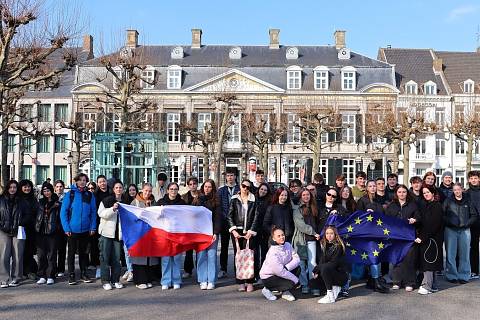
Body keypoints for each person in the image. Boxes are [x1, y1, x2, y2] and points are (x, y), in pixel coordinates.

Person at [60, 173, 97, 285]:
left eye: (84, 180)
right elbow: (63, 212)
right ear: (76, 181)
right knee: (71, 253)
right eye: (80, 180)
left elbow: (93, 212)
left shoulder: (89, 195)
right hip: (72, 230)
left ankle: (84, 273)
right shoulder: (70, 194)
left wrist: (92, 227)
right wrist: (66, 228)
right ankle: (71, 274)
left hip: (85, 230)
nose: (82, 182)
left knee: (84, 253)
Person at [385, 184, 420, 291]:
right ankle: (396, 281)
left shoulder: (413, 205)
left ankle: (410, 282)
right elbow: (387, 220)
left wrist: (415, 220)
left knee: (409, 259)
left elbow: (419, 216)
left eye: (404, 192)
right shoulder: (392, 206)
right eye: (399, 192)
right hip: (396, 237)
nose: (402, 194)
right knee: (397, 259)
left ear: (407, 193)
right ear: (396, 193)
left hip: (409, 236)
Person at [227, 179, 259, 292]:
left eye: (248, 187)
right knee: (238, 256)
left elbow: (256, 216)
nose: (245, 188)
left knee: (250, 256)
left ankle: (250, 281)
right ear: (240, 186)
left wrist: (251, 230)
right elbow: (229, 215)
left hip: (249, 231)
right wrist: (233, 230)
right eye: (244, 186)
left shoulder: (254, 199)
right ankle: (240, 281)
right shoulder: (234, 199)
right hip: (237, 231)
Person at [443, 183, 476, 284]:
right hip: (450, 230)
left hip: (465, 230)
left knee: (464, 254)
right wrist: (449, 222)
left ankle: (464, 275)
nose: (457, 191)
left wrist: (467, 223)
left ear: (462, 190)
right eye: (455, 190)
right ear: (453, 191)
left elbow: (474, 215)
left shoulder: (468, 201)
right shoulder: (448, 201)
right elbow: (442, 214)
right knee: (450, 254)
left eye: (458, 189)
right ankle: (452, 275)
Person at [157, 182, 186, 290]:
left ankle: (176, 280)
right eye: (171, 189)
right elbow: (155, 216)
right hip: (164, 233)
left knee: (176, 258)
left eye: (175, 189)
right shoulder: (161, 202)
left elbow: (185, 217)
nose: (173, 191)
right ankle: (166, 280)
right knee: (166, 258)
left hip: (177, 233)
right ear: (168, 190)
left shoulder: (182, 203)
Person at [97, 181, 126, 291]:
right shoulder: (107, 200)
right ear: (113, 189)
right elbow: (101, 214)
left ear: (123, 189)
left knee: (117, 259)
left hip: (118, 235)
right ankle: (105, 281)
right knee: (104, 258)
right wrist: (112, 209)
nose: (119, 189)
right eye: (116, 187)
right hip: (106, 234)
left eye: (120, 187)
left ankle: (115, 280)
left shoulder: (125, 201)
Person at [130, 183, 159, 289]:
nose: (148, 193)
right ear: (142, 190)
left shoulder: (153, 202)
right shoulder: (135, 202)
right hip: (139, 234)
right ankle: (139, 281)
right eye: (146, 190)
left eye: (150, 191)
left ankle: (148, 279)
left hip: (150, 234)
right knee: (139, 258)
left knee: (149, 258)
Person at [260, 226, 300, 302]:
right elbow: (279, 271)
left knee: (298, 269)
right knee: (291, 283)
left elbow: (297, 258)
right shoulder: (272, 252)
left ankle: (285, 292)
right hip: (268, 277)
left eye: (283, 235)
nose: (282, 237)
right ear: (274, 238)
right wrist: (295, 280)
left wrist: (287, 267)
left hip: (282, 271)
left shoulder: (288, 245)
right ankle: (267, 289)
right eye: (279, 236)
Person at [417, 184, 444, 295]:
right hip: (428, 238)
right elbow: (424, 222)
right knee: (430, 260)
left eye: (428, 192)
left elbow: (434, 225)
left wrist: (422, 237)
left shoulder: (436, 206)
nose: (426, 194)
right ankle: (433, 285)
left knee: (429, 262)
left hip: (433, 239)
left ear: (433, 193)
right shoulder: (427, 205)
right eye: (424, 193)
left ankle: (427, 286)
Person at [310, 225, 348, 304]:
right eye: (327, 233)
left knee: (325, 268)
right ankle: (334, 287)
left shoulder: (339, 246)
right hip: (331, 273)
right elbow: (322, 261)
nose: (329, 235)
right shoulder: (325, 244)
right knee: (312, 282)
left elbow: (333, 264)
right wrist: (316, 272)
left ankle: (330, 294)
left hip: (340, 276)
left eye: (331, 233)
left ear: (335, 235)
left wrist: (316, 268)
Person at [292, 188, 320, 294]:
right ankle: (304, 284)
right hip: (301, 239)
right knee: (302, 263)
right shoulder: (297, 209)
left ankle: (313, 284)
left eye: (307, 194)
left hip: (312, 239)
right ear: (300, 196)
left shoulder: (314, 207)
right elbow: (301, 226)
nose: (305, 197)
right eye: (303, 195)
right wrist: (314, 232)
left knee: (312, 263)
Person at [195, 179, 222, 290]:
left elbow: (218, 218)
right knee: (201, 256)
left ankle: (211, 280)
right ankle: (202, 280)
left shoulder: (216, 201)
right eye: (205, 186)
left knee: (211, 256)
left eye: (209, 187)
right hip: (200, 233)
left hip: (211, 232)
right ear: (203, 188)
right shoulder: (197, 200)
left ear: (213, 188)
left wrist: (215, 232)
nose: (207, 189)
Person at [0, 180, 25, 288]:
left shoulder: (22, 200)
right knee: (4, 255)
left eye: (14, 187)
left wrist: (21, 223)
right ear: (7, 188)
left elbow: (28, 214)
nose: (12, 189)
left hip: (18, 230)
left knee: (17, 255)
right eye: (10, 187)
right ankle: (4, 279)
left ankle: (16, 278)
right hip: (3, 230)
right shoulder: (1, 200)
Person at [35, 183, 61, 285]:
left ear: (52, 191)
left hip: (53, 232)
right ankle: (42, 275)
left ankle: (51, 275)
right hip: (40, 232)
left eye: (48, 190)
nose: (46, 193)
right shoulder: (40, 202)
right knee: (41, 255)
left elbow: (59, 217)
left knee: (51, 255)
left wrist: (57, 228)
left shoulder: (57, 203)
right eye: (45, 191)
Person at [217, 168, 239, 278]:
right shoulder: (221, 190)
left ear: (235, 176)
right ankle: (223, 268)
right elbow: (219, 206)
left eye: (232, 175)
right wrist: (224, 217)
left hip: (237, 223)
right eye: (228, 175)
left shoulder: (240, 189)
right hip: (225, 223)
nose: (230, 177)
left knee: (237, 248)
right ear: (225, 177)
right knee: (224, 247)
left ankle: (238, 269)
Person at [91, 175, 112, 279]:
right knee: (99, 247)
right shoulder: (94, 195)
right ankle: (99, 267)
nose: (102, 183)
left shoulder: (111, 193)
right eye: (100, 182)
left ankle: (109, 267)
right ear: (97, 184)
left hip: (111, 222)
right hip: (99, 222)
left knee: (110, 247)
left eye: (104, 181)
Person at [18, 179, 39, 280]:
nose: (27, 188)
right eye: (25, 186)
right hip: (21, 228)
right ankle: (22, 271)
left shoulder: (33, 199)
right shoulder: (18, 199)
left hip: (32, 229)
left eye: (29, 186)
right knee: (21, 251)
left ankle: (31, 271)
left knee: (30, 251)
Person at [181, 176, 199, 280]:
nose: (193, 186)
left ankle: (200, 270)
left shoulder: (202, 196)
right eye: (190, 184)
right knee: (188, 250)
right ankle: (188, 270)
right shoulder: (184, 197)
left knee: (199, 250)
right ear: (188, 185)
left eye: (194, 184)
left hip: (198, 226)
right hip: (187, 226)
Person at [120, 183, 137, 282]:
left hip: (136, 231)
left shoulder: (139, 202)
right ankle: (130, 269)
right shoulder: (124, 201)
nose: (132, 192)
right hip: (127, 230)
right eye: (130, 190)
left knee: (134, 252)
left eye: (133, 190)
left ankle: (133, 270)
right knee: (127, 251)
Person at [254, 182, 272, 272]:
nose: (263, 191)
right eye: (261, 189)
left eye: (265, 190)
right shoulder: (254, 199)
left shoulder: (269, 201)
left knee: (265, 251)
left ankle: (264, 270)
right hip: (255, 228)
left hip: (265, 229)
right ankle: (256, 271)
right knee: (255, 251)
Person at [467, 171, 480, 280]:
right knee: (473, 248)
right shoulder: (466, 193)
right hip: (473, 224)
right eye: (471, 178)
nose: (474, 180)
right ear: (469, 180)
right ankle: (474, 270)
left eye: (475, 178)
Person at [54, 180, 67, 277]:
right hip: (53, 226)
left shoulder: (66, 198)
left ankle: (61, 269)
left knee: (62, 249)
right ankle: (53, 268)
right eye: (57, 186)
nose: (59, 188)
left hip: (63, 226)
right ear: (55, 188)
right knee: (53, 249)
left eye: (61, 186)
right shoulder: (51, 197)